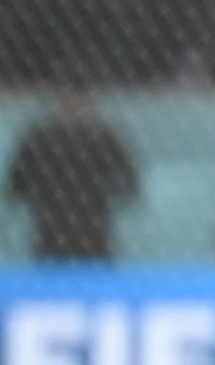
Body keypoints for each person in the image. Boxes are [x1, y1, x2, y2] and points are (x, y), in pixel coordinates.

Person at [7, 92, 139, 261]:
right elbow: (16, 182)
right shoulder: (39, 139)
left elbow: (128, 180)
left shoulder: (104, 138)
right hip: (53, 225)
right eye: (66, 103)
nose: (72, 109)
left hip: (91, 224)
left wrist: (106, 196)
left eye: (78, 104)